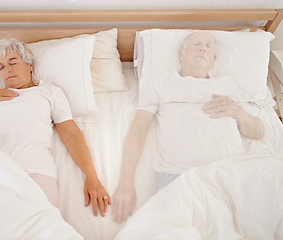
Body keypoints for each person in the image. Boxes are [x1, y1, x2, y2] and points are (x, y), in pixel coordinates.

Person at [111, 31, 265, 223]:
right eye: (196, 44)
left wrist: (238, 111)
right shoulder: (160, 83)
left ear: (213, 58)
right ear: (180, 54)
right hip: (178, 177)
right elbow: (139, 130)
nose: (203, 47)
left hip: (227, 176)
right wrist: (126, 182)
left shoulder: (226, 84)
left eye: (208, 46)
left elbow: (258, 133)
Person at [0, 38, 111, 217]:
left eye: (13, 62)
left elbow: (70, 133)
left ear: (29, 64)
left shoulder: (48, 92)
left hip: (35, 172)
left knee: (36, 227)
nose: (6, 69)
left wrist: (91, 177)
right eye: (0, 67)